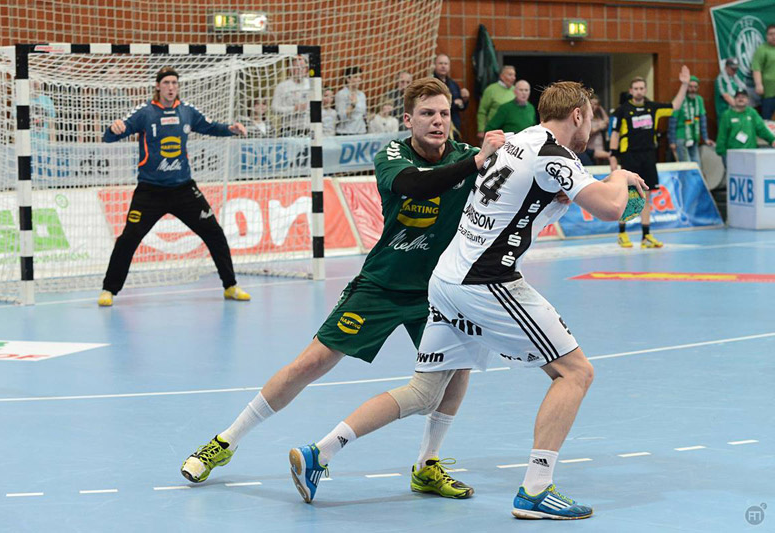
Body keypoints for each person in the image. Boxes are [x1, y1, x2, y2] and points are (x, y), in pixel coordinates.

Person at [289, 81, 647, 520]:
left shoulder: (519, 141)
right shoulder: (554, 154)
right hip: (487, 281)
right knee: (575, 372)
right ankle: (536, 489)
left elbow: (530, 194)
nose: (591, 127)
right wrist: (619, 176)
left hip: (446, 278)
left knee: (424, 391)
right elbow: (612, 208)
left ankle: (319, 453)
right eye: (590, 118)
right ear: (577, 115)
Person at [181, 78, 507, 503]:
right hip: (382, 284)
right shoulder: (393, 156)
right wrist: (477, 161)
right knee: (312, 362)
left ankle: (428, 464)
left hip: (438, 292)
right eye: (427, 113)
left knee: (457, 370)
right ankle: (225, 442)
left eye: (444, 113)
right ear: (408, 120)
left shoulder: (467, 156)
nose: (437, 121)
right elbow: (416, 185)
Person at [96, 66, 251, 307]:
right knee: (128, 239)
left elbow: (210, 126)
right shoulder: (145, 113)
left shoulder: (186, 111)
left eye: (174, 83)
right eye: (166, 83)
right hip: (150, 191)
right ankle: (109, 290)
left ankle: (230, 286)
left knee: (214, 233)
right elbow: (110, 136)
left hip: (183, 190)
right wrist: (113, 129)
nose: (171, 87)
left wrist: (230, 129)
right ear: (158, 86)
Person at [609, 67, 690, 249]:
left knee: (646, 196)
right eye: (635, 88)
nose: (639, 91)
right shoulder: (622, 110)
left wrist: (684, 85)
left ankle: (646, 236)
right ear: (631, 91)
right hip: (629, 157)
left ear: (645, 90)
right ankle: (622, 233)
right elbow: (615, 134)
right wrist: (613, 157)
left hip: (648, 157)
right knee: (627, 196)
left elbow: (675, 106)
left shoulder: (653, 108)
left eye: (641, 88)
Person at [716, 89, 775, 164]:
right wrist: (722, 151)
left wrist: (772, 139)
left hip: (750, 153)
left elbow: (762, 129)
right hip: (733, 153)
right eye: (738, 97)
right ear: (734, 99)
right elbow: (722, 135)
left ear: (748, 100)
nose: (741, 99)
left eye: (743, 97)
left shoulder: (752, 113)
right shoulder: (727, 115)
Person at [668, 76, 715, 167]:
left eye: (695, 87)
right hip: (681, 136)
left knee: (697, 165)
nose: (692, 89)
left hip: (694, 136)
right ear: (686, 87)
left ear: (698, 88)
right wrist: (672, 141)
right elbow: (672, 121)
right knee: (687, 166)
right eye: (690, 86)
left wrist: (705, 138)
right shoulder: (679, 99)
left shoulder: (699, 100)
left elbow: (703, 120)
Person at [271, 55, 311, 137]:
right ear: (291, 69)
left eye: (302, 67)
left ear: (306, 69)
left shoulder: (311, 85)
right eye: (297, 67)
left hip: (308, 129)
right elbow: (274, 108)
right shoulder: (282, 86)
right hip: (289, 129)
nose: (300, 70)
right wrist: (294, 109)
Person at [433, 54, 469, 141]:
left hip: (454, 125)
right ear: (435, 65)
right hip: (438, 124)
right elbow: (434, 104)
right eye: (440, 63)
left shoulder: (453, 84)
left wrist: (465, 100)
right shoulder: (431, 83)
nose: (443, 66)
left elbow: (461, 107)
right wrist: (454, 104)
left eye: (446, 64)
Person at [477, 65, 517, 140]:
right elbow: (482, 111)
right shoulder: (491, 90)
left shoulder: (516, 90)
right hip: (494, 131)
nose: (513, 78)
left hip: (511, 133)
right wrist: (481, 129)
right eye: (510, 75)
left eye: (514, 75)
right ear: (502, 76)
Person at [335, 66, 367, 135]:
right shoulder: (341, 94)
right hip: (346, 132)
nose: (359, 79)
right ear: (348, 79)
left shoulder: (362, 95)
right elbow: (341, 117)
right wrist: (352, 105)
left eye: (360, 77)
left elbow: (363, 114)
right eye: (356, 77)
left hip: (361, 132)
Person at [752, 24, 775, 121]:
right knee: (767, 119)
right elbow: (756, 69)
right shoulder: (761, 50)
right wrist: (758, 84)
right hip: (768, 92)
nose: (773, 36)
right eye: (771, 34)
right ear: (767, 36)